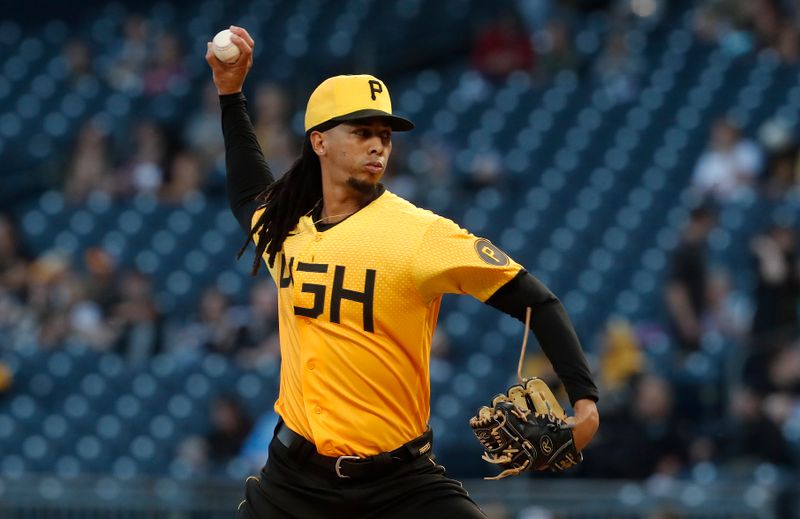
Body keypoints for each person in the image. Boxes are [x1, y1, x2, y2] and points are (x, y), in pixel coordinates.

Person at [206, 26, 599, 519]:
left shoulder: (419, 233)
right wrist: (230, 94)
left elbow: (537, 301)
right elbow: (247, 194)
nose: (378, 146)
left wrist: (584, 402)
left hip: (400, 484)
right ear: (319, 141)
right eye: (362, 131)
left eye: (385, 135)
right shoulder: (290, 230)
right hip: (294, 483)